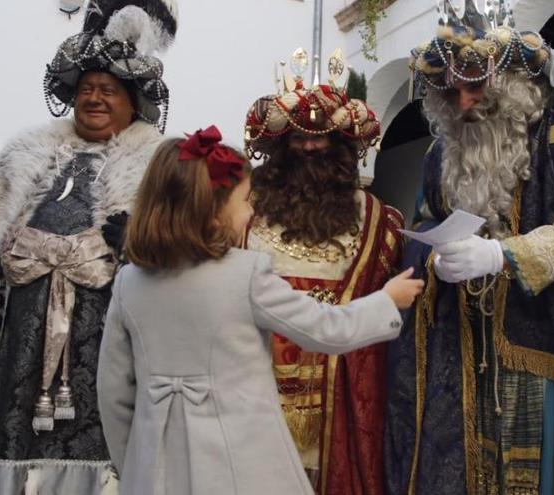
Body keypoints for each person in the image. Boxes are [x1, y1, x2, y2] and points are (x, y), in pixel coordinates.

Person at [384, 2, 554, 494]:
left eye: (476, 85)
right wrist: (438, 257)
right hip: (463, 346)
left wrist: (501, 256)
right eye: (450, 91)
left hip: (545, 337)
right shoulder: (440, 152)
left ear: (509, 79)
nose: (465, 102)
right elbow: (426, 220)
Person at [96, 127, 423, 495]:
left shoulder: (129, 284)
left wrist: (137, 465)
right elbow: (327, 330)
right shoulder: (245, 274)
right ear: (215, 213)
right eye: (247, 200)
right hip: (244, 467)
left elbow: (113, 394)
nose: (252, 211)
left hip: (157, 470)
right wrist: (386, 300)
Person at [0, 1, 177, 492]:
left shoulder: (160, 164)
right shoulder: (27, 151)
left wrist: (140, 241)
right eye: (86, 90)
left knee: (103, 432)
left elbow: (180, 248)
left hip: (110, 331)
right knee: (15, 426)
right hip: (25, 331)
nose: (94, 99)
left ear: (133, 101)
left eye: (108, 91)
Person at [243, 56, 405, 493]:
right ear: (280, 146)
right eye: (299, 139)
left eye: (325, 140)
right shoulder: (242, 212)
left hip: (341, 403)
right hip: (255, 397)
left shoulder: (377, 220)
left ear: (345, 149)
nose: (312, 149)